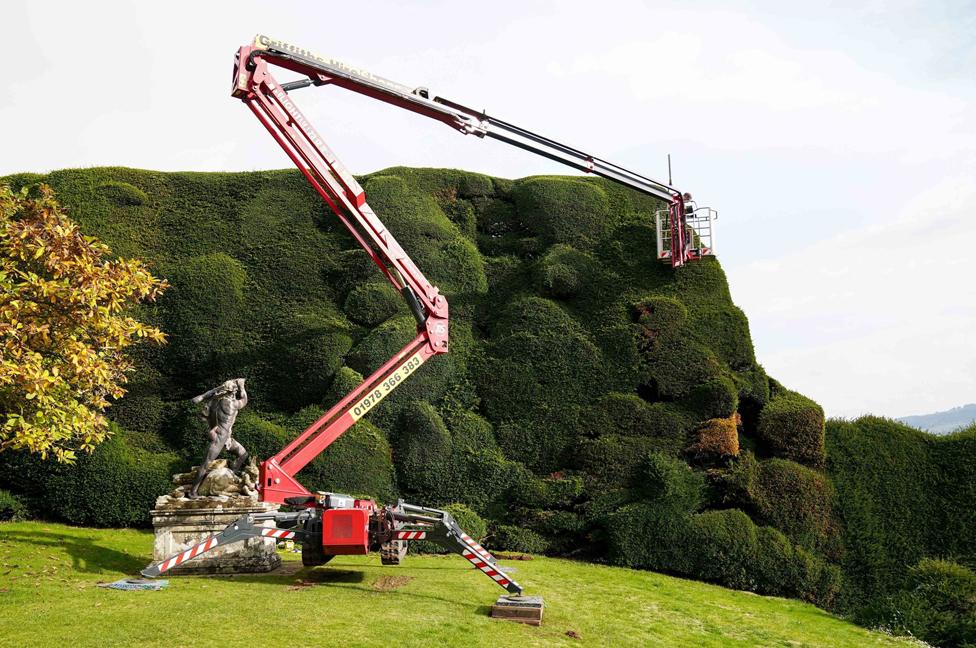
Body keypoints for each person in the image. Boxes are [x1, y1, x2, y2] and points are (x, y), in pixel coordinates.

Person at [187, 378, 249, 499]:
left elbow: (205, 404)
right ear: (232, 391)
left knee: (243, 454)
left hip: (225, 437)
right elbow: (244, 400)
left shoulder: (214, 401)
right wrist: (242, 386)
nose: (237, 392)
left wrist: (213, 392)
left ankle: (232, 473)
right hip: (220, 437)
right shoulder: (231, 404)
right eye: (235, 390)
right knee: (205, 464)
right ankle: (192, 491)